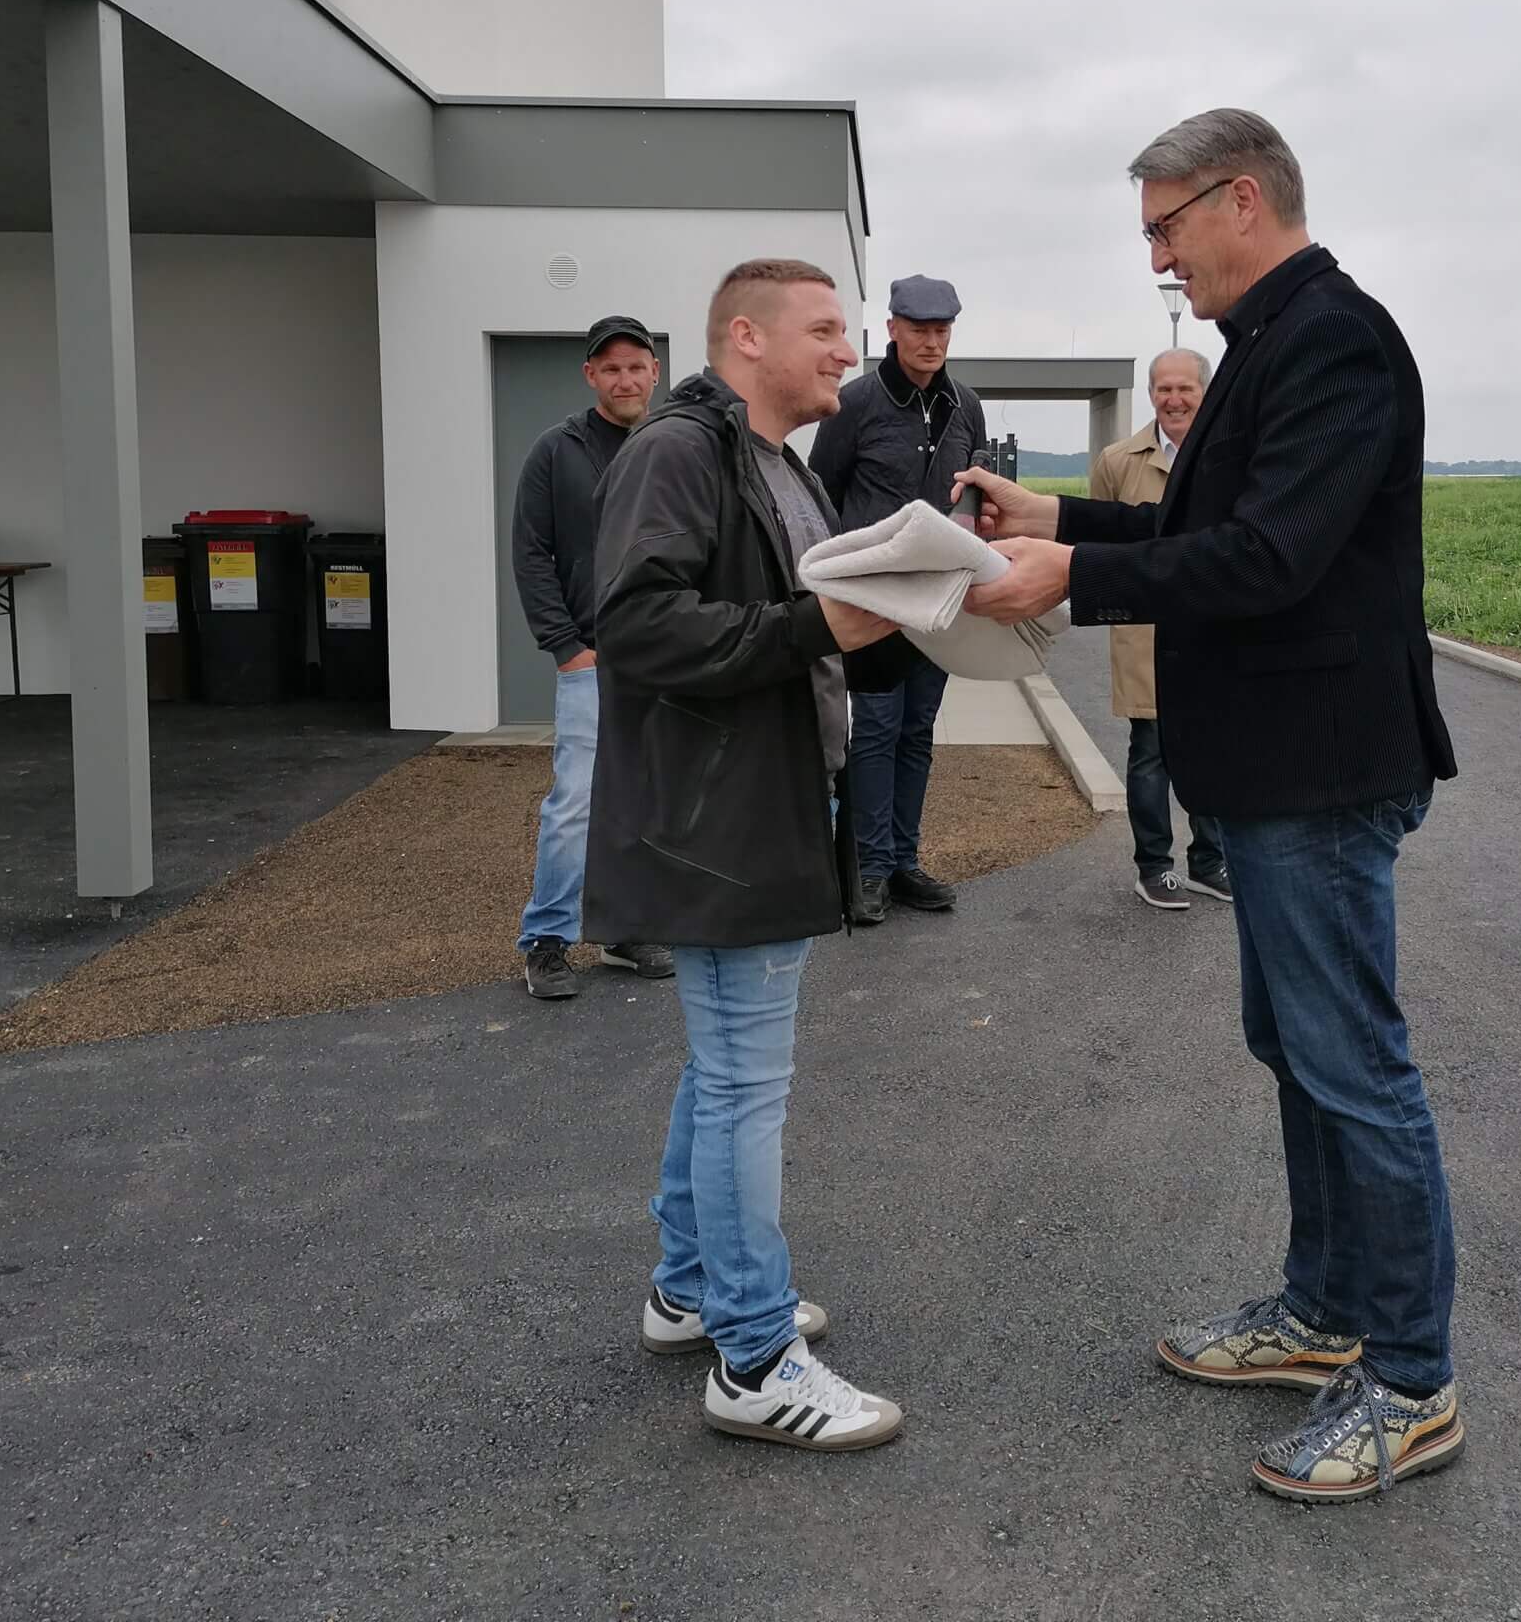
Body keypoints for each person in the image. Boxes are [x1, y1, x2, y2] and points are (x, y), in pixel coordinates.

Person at [955, 108, 1463, 1504]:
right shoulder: (1268, 343)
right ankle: (1324, 1312)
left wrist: (1074, 579)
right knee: (1298, 1049)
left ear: (1242, 199)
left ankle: (1411, 1378)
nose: (1160, 262)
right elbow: (1204, 527)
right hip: (1272, 770)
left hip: (1322, 771)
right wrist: (1057, 518)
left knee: (1353, 1067)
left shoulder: (1334, 340)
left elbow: (1271, 557)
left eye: (1166, 230)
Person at [585, 257, 909, 1452]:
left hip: (764, 804)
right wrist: (813, 624)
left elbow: (807, 630)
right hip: (717, 819)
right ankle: (757, 1358)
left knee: (722, 1070)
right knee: (740, 1084)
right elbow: (636, 625)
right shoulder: (680, 452)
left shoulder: (782, 466)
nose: (848, 351)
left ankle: (691, 1291)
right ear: (745, 337)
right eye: (824, 328)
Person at [808, 274, 989, 925]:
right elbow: (821, 493)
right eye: (919, 329)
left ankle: (904, 861)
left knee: (917, 731)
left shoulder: (966, 406)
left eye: (942, 330)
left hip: (939, 602)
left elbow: (974, 491)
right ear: (892, 329)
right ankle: (869, 868)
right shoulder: (854, 403)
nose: (931, 341)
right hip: (874, 603)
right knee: (877, 731)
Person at [509, 314, 673, 999]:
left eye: (636, 367)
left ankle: (623, 930)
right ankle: (546, 940)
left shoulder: (675, 448)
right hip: (591, 659)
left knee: (646, 800)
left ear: (655, 372)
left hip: (663, 656)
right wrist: (566, 647)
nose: (624, 379)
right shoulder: (557, 452)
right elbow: (531, 552)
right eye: (611, 369)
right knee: (575, 803)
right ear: (590, 375)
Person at [1092, 348, 1230, 910]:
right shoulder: (1117, 461)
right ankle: (1154, 867)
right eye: (1163, 389)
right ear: (1151, 394)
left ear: (1206, 391)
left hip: (1214, 626)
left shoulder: (1231, 454)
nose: (1173, 399)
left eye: (1185, 388)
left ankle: (1209, 862)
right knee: (1150, 748)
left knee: (1214, 744)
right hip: (1144, 628)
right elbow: (1100, 538)